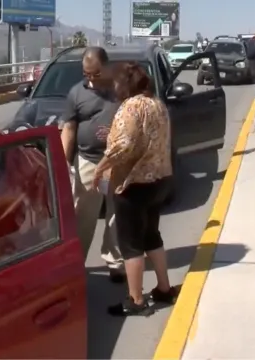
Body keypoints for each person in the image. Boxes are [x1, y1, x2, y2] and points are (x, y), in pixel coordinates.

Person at [93, 62, 178, 316]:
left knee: (130, 244)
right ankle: (164, 288)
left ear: (125, 83)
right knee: (152, 234)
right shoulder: (157, 104)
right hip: (160, 179)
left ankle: (136, 300)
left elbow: (125, 145)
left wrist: (101, 167)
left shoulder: (130, 107)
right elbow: (147, 136)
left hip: (134, 183)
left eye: (117, 82)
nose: (114, 87)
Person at [61, 46, 125, 282]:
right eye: (86, 74)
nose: (90, 79)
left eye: (95, 74)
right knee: (83, 216)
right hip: (89, 162)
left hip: (118, 162)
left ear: (106, 68)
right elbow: (68, 129)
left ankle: (115, 261)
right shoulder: (75, 94)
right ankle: (77, 264)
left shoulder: (121, 88)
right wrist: (64, 163)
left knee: (116, 215)